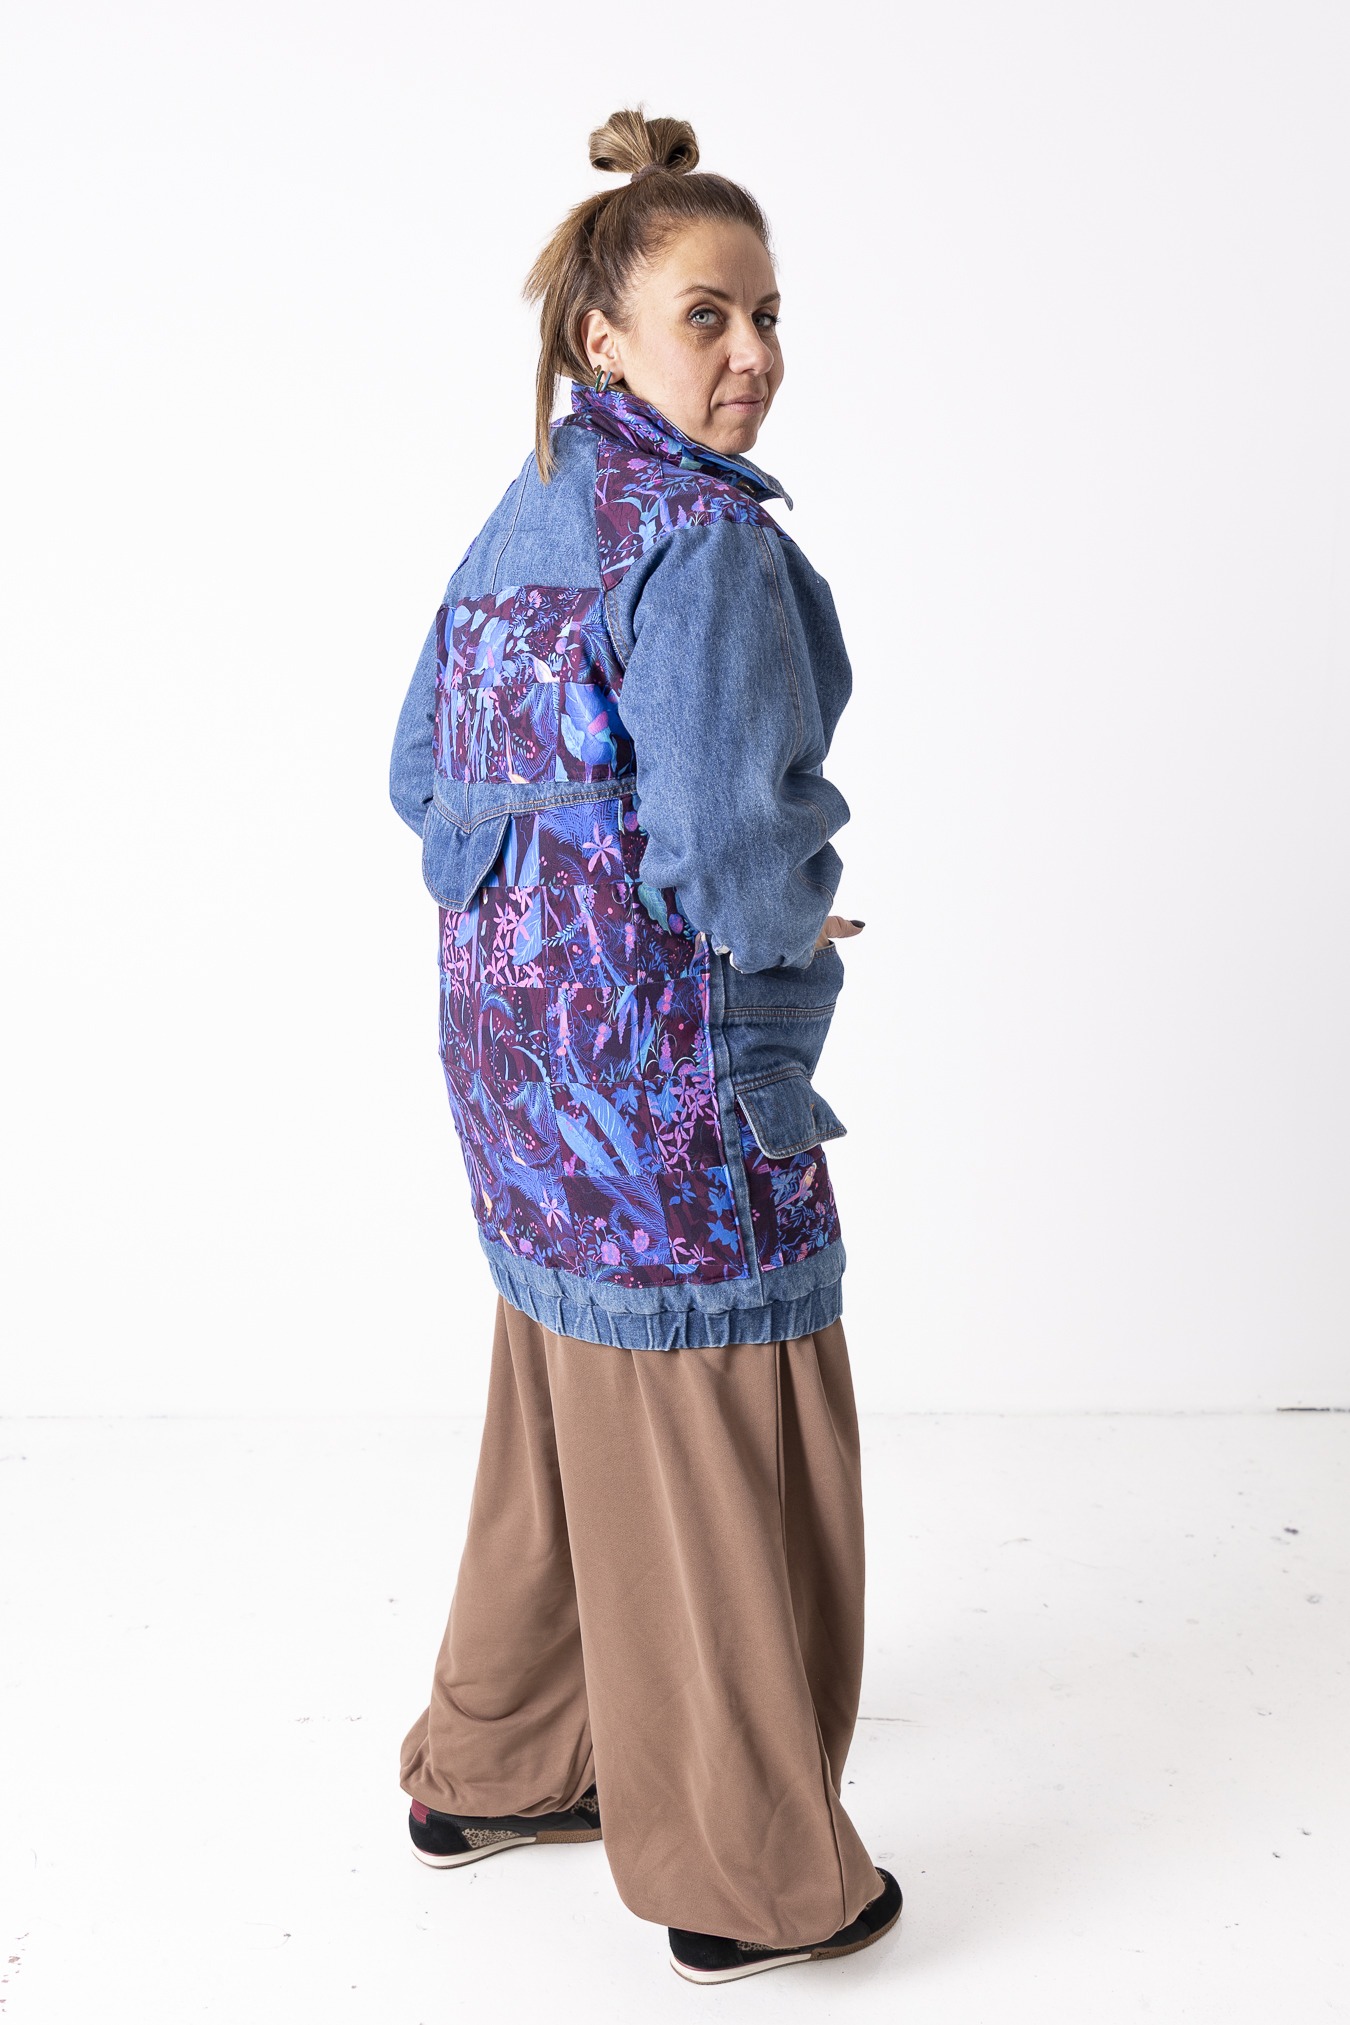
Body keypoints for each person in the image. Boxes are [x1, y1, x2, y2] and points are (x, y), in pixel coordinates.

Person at [388, 106, 900, 1985]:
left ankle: (501, 1765)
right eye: (708, 316)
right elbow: (734, 851)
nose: (750, 352)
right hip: (666, 1085)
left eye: (767, 315)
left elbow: (419, 775)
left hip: (514, 1068)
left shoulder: (530, 506)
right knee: (715, 1438)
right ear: (603, 335)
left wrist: (560, 909)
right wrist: (778, 936)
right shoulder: (702, 543)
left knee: (563, 1402)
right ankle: (744, 1877)